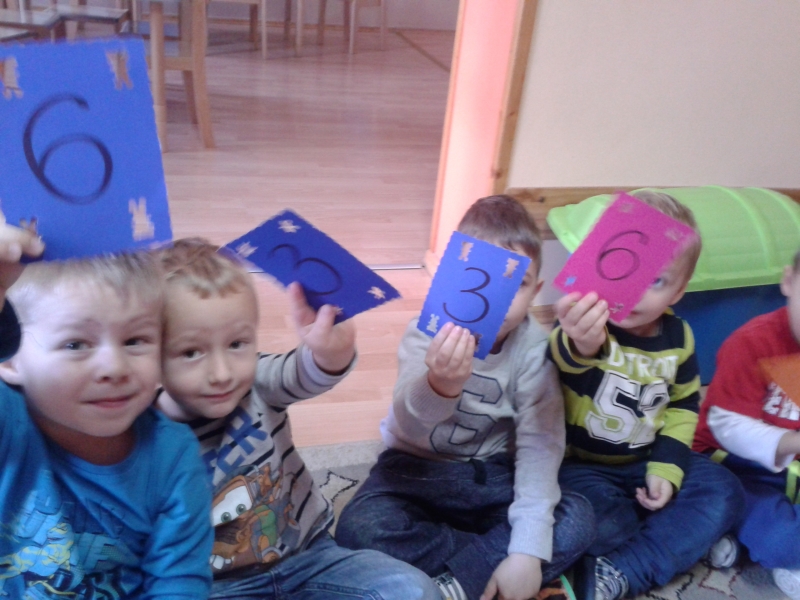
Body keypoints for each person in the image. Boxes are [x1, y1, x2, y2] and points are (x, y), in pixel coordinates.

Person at [335, 195, 596, 600]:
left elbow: (540, 447)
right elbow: (407, 422)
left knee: (577, 516)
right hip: (414, 471)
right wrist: (439, 384)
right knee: (359, 528)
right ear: (455, 279)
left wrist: (527, 552)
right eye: (486, 280)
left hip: (489, 478)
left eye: (518, 284)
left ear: (536, 291)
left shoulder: (534, 349)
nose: (500, 299)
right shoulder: (426, 331)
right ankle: (486, 574)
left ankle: (455, 584)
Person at [154, 237, 441, 600]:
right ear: (151, 354)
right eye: (192, 352)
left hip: (309, 557)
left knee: (412, 589)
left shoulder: (256, 381)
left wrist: (330, 351)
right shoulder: (139, 436)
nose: (222, 373)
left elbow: (303, 373)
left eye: (237, 344)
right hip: (219, 587)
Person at [548, 190, 744, 600]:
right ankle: (676, 542)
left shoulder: (680, 337)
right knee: (596, 523)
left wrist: (666, 469)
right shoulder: (586, 325)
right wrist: (582, 343)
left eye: (656, 281)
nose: (636, 292)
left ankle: (623, 569)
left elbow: (684, 405)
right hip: (581, 466)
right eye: (625, 271)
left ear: (678, 291)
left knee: (724, 489)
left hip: (647, 459)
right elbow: (558, 365)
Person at [0, 226, 213, 599]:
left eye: (134, 340)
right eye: (75, 344)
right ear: (10, 358)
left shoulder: (173, 456)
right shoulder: (8, 421)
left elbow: (179, 582)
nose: (114, 367)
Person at [693, 248, 800, 599]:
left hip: (791, 473)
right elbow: (727, 426)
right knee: (782, 539)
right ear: (788, 281)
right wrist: (791, 442)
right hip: (733, 467)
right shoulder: (752, 342)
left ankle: (732, 538)